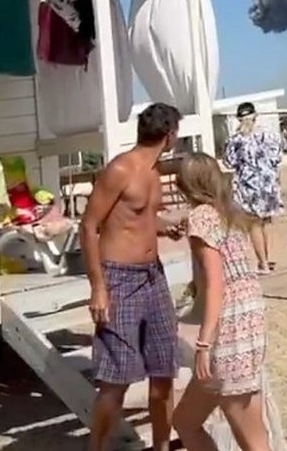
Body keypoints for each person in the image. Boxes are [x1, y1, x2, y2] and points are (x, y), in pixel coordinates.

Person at [80, 102, 184, 451]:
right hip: (119, 280)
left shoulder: (153, 174)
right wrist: (98, 287)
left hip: (153, 279)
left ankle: (161, 447)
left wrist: (165, 227)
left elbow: (137, 220)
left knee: (163, 372)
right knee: (116, 379)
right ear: (170, 136)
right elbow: (90, 226)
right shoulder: (121, 170)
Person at [171, 152, 279, 451]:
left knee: (250, 436)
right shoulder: (225, 211)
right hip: (249, 309)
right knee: (186, 421)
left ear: (185, 185)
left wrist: (203, 344)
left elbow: (216, 281)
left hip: (231, 319)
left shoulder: (201, 218)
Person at [223, 102, 283, 272]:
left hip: (248, 185)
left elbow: (229, 162)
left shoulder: (235, 140)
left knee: (253, 225)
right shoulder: (269, 135)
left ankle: (263, 263)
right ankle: (266, 259)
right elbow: (277, 157)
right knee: (263, 223)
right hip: (268, 184)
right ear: (255, 116)